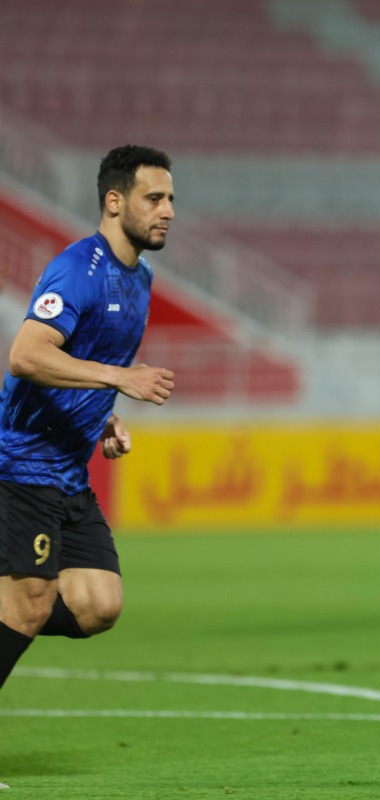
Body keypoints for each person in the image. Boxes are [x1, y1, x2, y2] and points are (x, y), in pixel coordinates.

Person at [0, 145, 177, 702]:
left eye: (171, 198)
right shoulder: (79, 269)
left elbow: (85, 363)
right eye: (154, 198)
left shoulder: (141, 278)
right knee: (28, 604)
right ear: (114, 200)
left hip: (68, 475)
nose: (168, 210)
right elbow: (27, 355)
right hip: (19, 464)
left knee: (99, 604)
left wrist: (104, 415)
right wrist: (120, 380)